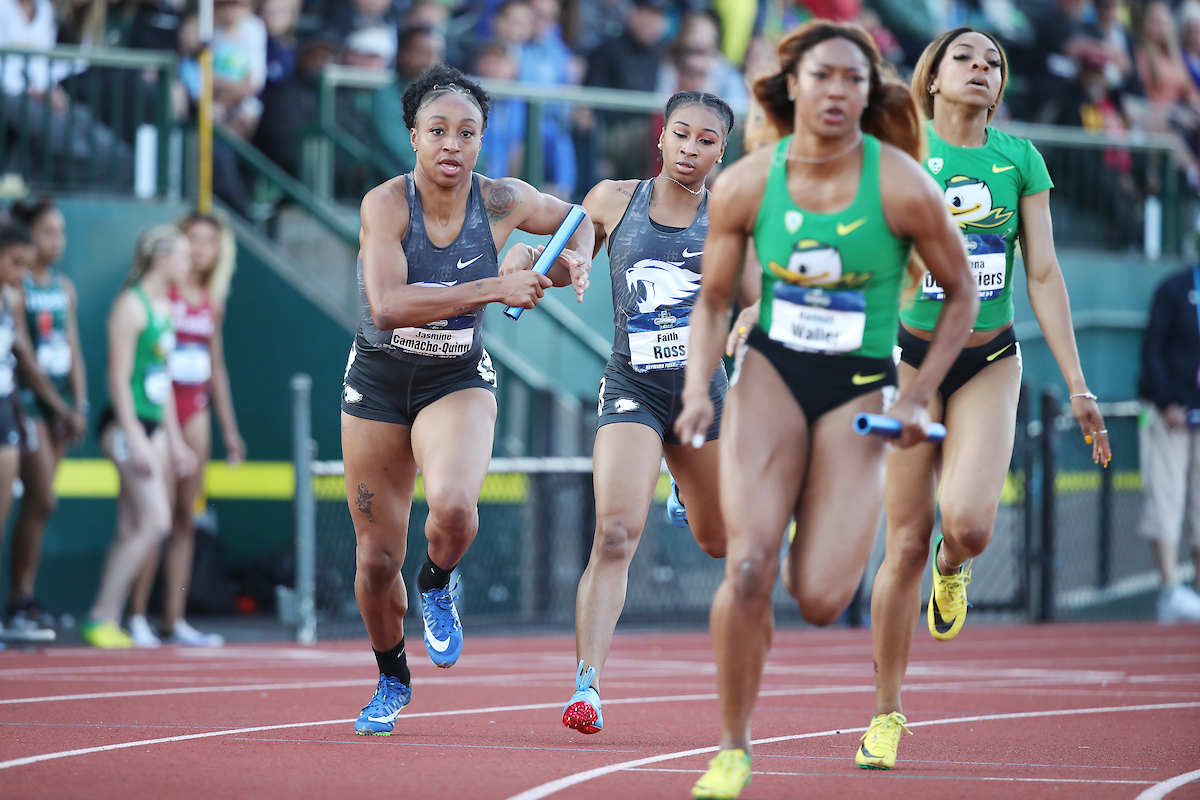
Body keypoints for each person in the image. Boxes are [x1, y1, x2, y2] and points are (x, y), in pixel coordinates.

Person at [673, 21, 980, 799]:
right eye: (823, 76)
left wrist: (915, 392)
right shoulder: (747, 181)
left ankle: (819, 501)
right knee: (746, 568)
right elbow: (712, 302)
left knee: (818, 599)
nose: (837, 91)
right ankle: (733, 749)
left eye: (852, 78)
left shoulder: (902, 182)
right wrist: (694, 391)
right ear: (793, 88)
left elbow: (962, 297)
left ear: (869, 92)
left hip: (857, 388)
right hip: (772, 374)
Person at [858, 27, 1112, 772]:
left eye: (993, 62)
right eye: (964, 58)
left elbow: (1043, 276)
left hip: (990, 357)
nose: (980, 69)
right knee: (900, 544)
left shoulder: (1019, 159)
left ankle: (954, 566)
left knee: (966, 527)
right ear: (931, 78)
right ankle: (885, 714)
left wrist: (1078, 383)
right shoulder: (894, 156)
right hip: (909, 366)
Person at [344, 64, 592, 735]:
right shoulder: (386, 205)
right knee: (373, 562)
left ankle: (435, 582)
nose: (452, 143)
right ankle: (392, 678)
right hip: (379, 382)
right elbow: (389, 306)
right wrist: (494, 285)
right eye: (438, 131)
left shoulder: (504, 200)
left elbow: (578, 218)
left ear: (483, 140)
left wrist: (574, 258)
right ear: (414, 139)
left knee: (453, 509)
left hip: (456, 377)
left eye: (467, 132)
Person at [563, 91, 735, 735]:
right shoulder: (613, 198)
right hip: (631, 384)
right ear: (661, 136)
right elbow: (564, 256)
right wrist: (540, 260)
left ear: (722, 151)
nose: (691, 150)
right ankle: (588, 686)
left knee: (718, 541)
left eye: (707, 141)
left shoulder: (729, 216)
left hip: (702, 395)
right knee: (614, 534)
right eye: (682, 135)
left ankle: (687, 497)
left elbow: (753, 299)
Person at [127, 212, 245, 647]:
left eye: (208, 242)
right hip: (156, 408)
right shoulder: (161, 292)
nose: (199, 249)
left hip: (194, 410)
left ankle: (173, 620)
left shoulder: (211, 301)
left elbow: (217, 368)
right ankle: (137, 615)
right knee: (149, 518)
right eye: (192, 239)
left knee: (184, 518)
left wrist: (229, 429)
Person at [79, 226, 198, 648]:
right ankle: (100, 614)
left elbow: (159, 379)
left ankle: (106, 618)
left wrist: (175, 441)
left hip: (153, 423)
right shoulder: (131, 306)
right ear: (161, 259)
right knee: (156, 521)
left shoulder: (166, 307)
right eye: (184, 255)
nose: (191, 262)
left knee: (131, 526)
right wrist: (136, 436)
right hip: (125, 425)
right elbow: (117, 377)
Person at [5, 199, 88, 631]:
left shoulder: (64, 286)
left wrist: (79, 404)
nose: (56, 242)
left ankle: (25, 596)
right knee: (43, 498)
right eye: (47, 232)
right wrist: (58, 407)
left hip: (60, 407)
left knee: (41, 505)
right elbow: (25, 360)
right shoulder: (17, 289)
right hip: (31, 403)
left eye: (61, 232)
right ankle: (18, 595)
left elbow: (72, 349)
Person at [1137, 265, 1200, 623]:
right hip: (1171, 415)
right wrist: (1165, 402)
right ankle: (1170, 589)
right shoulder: (1174, 288)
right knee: (1167, 495)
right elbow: (1152, 351)